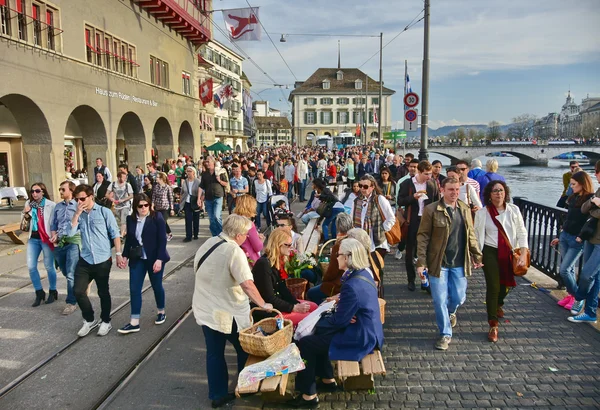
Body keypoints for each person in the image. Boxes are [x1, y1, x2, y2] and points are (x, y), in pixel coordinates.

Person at [288, 238, 384, 408]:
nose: (336, 258)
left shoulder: (352, 284)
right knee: (320, 335)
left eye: (338, 255)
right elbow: (346, 313)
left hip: (361, 336)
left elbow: (339, 321)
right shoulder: (362, 274)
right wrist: (344, 315)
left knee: (307, 342)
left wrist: (321, 321)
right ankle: (327, 378)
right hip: (369, 331)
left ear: (347, 257)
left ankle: (308, 396)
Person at [192, 214, 273, 409]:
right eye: (245, 234)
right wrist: (263, 304)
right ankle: (246, 387)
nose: (247, 237)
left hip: (205, 309)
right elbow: (247, 284)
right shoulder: (234, 251)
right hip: (227, 313)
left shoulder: (209, 243)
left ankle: (217, 395)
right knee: (245, 349)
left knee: (214, 353)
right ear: (237, 235)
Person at [416, 177, 483, 351]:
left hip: (460, 260)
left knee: (459, 297)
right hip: (438, 261)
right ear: (442, 190)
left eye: (457, 189)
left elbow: (471, 234)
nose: (454, 193)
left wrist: (477, 254)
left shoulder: (464, 208)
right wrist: (421, 261)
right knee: (439, 299)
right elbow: (423, 236)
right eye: (450, 189)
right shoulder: (431, 210)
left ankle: (451, 312)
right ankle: (445, 333)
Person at [474, 180, 529, 342]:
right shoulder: (482, 213)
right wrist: (476, 255)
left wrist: (524, 253)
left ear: (505, 193)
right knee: (493, 286)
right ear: (489, 195)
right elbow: (477, 237)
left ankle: (499, 304)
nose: (499, 193)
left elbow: (521, 232)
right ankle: (493, 324)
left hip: (509, 252)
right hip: (490, 251)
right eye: (495, 191)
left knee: (505, 287)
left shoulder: (514, 210)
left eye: (501, 190)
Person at [70, 184, 123, 337]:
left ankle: (106, 321)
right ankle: (89, 319)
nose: (79, 202)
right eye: (77, 199)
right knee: (78, 291)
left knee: (103, 292)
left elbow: (115, 234)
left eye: (82, 198)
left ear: (91, 196)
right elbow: (70, 232)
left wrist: (118, 253)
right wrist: (76, 214)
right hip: (85, 258)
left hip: (102, 259)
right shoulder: (78, 213)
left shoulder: (104, 212)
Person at [117, 194, 170, 334]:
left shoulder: (157, 217)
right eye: (140, 206)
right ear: (135, 207)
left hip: (154, 258)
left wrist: (159, 259)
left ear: (149, 205)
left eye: (146, 205)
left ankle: (161, 311)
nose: (143, 208)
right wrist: (124, 256)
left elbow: (162, 240)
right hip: (137, 258)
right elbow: (129, 241)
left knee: (156, 285)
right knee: (134, 288)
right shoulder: (131, 219)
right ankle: (134, 322)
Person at [251, 228, 318, 326]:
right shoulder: (263, 264)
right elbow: (269, 298)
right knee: (309, 316)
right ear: (278, 245)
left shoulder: (277, 261)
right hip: (269, 311)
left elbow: (283, 289)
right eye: (288, 245)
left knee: (314, 307)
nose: (291, 248)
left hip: (278, 304)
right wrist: (293, 308)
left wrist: (296, 304)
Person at [551, 171, 595, 310]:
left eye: (574, 184)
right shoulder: (573, 197)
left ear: (582, 184)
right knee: (568, 270)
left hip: (577, 239)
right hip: (565, 236)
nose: (571, 187)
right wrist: (560, 235)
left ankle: (577, 297)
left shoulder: (591, 199)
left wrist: (582, 236)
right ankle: (572, 295)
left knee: (564, 270)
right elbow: (568, 218)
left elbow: (590, 221)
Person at [397, 160, 440, 291]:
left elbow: (437, 202)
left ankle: (425, 281)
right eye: (427, 174)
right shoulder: (407, 183)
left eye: (431, 174)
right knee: (410, 253)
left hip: (427, 222)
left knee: (426, 252)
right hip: (412, 222)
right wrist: (413, 198)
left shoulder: (432, 184)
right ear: (419, 172)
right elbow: (399, 201)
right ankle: (411, 280)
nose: (429, 176)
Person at [566, 160, 600, 324]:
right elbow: (585, 209)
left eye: (596, 171)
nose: (595, 174)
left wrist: (596, 206)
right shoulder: (599, 190)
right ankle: (590, 312)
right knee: (595, 277)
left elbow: (594, 212)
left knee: (587, 275)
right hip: (591, 238)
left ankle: (579, 297)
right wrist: (594, 203)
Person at [306, 213, 353, 305]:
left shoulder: (339, 245)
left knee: (311, 293)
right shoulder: (355, 241)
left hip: (339, 285)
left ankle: (321, 311)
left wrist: (325, 279)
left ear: (338, 227)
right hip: (351, 282)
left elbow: (332, 271)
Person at [23, 182, 57, 307]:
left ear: (43, 191)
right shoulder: (28, 204)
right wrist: (26, 213)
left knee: (49, 266)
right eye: (32, 191)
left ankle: (53, 290)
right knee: (31, 266)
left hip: (46, 238)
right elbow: (25, 220)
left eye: (37, 191)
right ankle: (39, 292)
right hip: (33, 238)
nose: (34, 194)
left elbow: (55, 222)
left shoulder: (51, 205)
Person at [50, 180, 80, 315]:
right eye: (60, 189)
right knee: (64, 270)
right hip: (60, 243)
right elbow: (53, 224)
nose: (61, 192)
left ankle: (71, 302)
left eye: (63, 189)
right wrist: (54, 237)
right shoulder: (57, 207)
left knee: (70, 274)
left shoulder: (79, 205)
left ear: (71, 191)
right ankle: (79, 287)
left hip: (73, 242)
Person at [234, 194, 265, 267]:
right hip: (249, 259)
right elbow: (257, 247)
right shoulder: (249, 224)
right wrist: (261, 240)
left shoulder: (233, 221)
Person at [200, 157, 228, 237]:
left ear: (213, 162)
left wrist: (219, 180)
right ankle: (214, 235)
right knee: (211, 218)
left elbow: (226, 183)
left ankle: (220, 234)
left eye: (208, 162)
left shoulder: (220, 172)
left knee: (216, 215)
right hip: (208, 198)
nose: (207, 163)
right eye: (206, 162)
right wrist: (201, 196)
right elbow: (202, 186)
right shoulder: (205, 174)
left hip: (218, 196)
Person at [106, 171, 134, 237]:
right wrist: (112, 199)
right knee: (120, 220)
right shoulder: (113, 184)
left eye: (125, 177)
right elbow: (106, 194)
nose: (125, 179)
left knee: (123, 220)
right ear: (118, 178)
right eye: (123, 177)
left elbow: (131, 195)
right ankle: (125, 231)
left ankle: (121, 235)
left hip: (125, 205)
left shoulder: (127, 185)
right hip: (116, 206)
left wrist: (123, 200)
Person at [152, 172, 175, 241]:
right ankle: (168, 233)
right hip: (158, 207)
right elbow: (154, 197)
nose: (156, 178)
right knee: (160, 221)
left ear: (161, 178)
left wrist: (172, 209)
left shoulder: (167, 187)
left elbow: (171, 198)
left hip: (165, 208)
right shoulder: (156, 187)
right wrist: (152, 205)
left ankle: (164, 235)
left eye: (157, 177)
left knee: (162, 221)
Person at [181, 167, 202, 242]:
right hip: (187, 202)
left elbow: (202, 192)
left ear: (194, 172)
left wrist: (201, 201)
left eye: (190, 171)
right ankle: (188, 236)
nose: (188, 173)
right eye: (187, 171)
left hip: (195, 202)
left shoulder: (198, 181)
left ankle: (195, 234)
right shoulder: (185, 182)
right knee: (188, 219)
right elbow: (182, 192)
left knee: (196, 219)